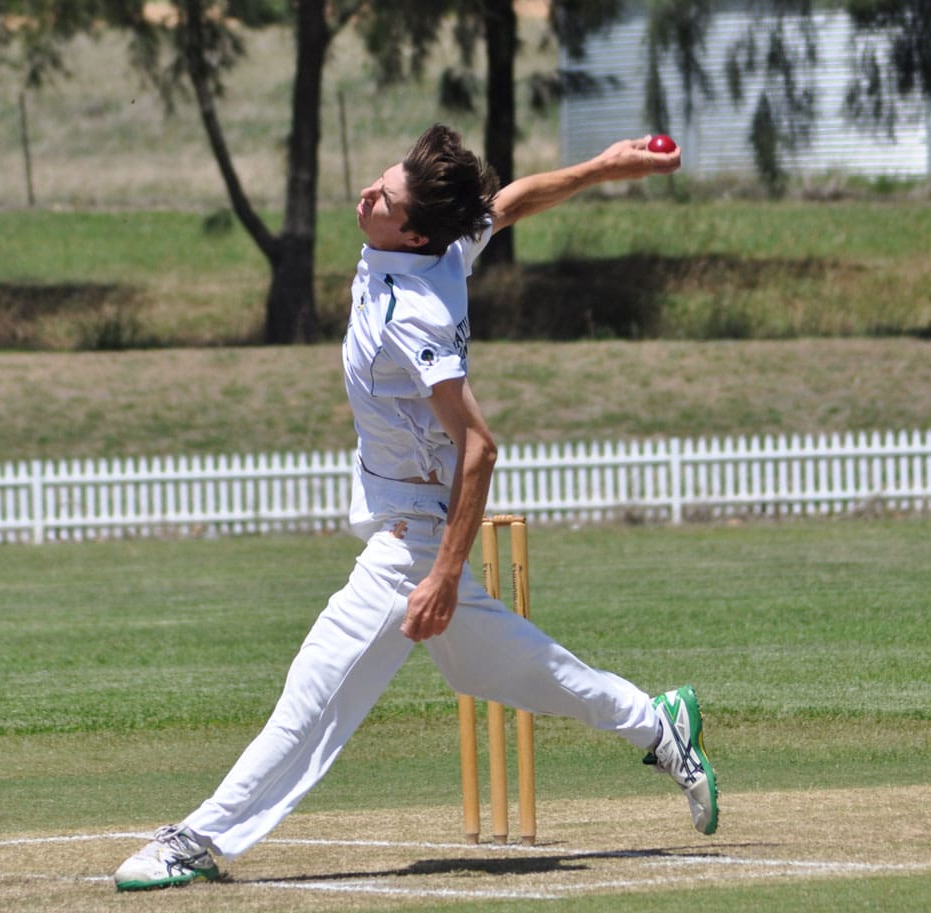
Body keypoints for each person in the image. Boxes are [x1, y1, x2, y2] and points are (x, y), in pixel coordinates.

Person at [114, 125, 716, 891]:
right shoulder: (442, 243)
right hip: (415, 532)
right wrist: (604, 166)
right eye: (383, 179)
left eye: (387, 199)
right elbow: (509, 202)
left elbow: (479, 448)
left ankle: (198, 839)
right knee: (522, 674)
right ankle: (656, 723)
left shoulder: (417, 313)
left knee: (313, 695)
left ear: (415, 230)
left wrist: (441, 573)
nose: (369, 193)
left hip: (413, 545)